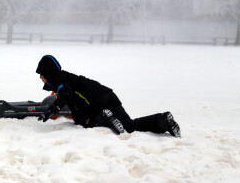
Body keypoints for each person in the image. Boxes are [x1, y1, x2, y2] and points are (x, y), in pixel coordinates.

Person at [35, 54, 180, 137]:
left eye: (41, 75)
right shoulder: (66, 77)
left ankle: (102, 118)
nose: (41, 78)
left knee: (80, 120)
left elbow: (65, 93)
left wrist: (52, 109)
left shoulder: (60, 79)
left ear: (48, 72)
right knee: (129, 126)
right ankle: (162, 120)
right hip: (108, 94)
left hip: (95, 101)